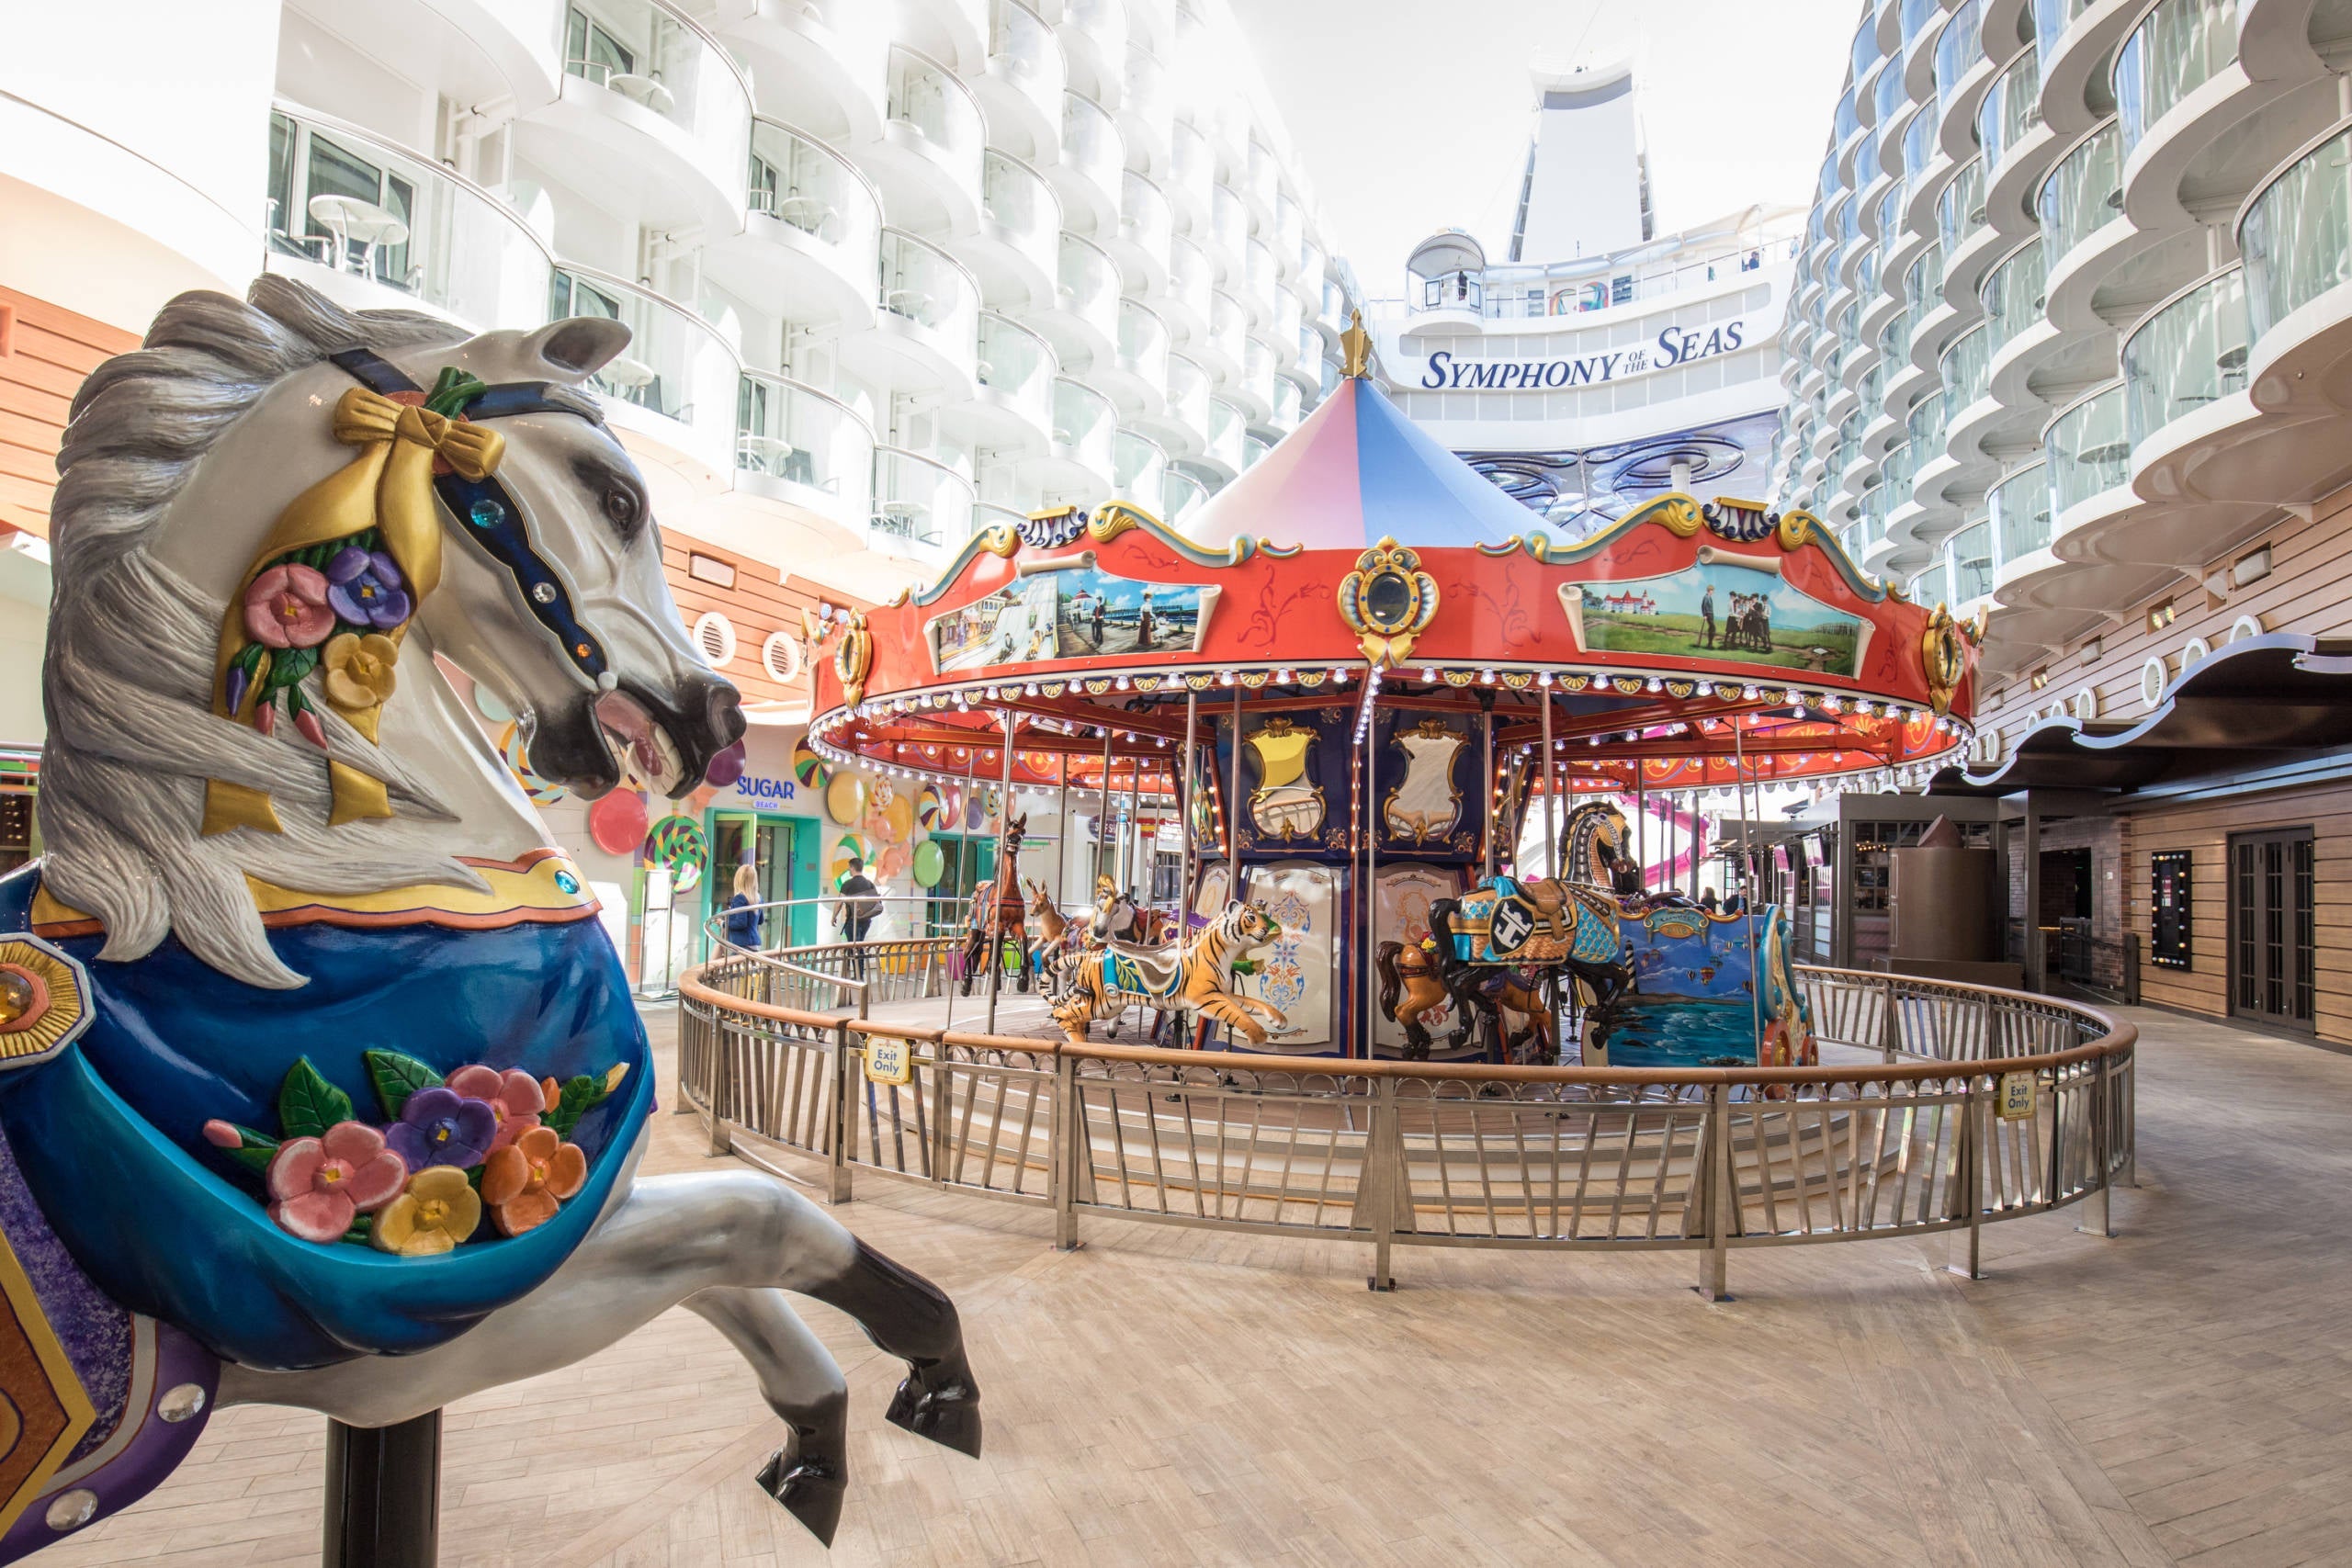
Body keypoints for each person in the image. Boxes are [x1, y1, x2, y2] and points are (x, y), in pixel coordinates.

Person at [839, 856, 881, 978]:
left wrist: (834, 917)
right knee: (859, 945)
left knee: (854, 947)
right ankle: (859, 974)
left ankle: (858, 974)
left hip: (853, 920)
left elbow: (838, 902)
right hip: (866, 920)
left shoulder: (847, 884)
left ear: (852, 868)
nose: (848, 870)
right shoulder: (869, 884)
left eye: (849, 868)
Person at [723, 862, 763, 951]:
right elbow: (761, 920)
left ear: (738, 880)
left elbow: (741, 923)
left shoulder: (739, 898)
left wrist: (723, 923)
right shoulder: (759, 898)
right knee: (719, 947)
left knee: (720, 950)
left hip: (742, 944)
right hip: (755, 943)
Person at [1700, 582, 1716, 649]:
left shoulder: (1709, 597)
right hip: (1708, 614)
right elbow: (1703, 606)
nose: (1713, 592)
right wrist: (1704, 615)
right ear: (1709, 590)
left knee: (1711, 629)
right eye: (1712, 590)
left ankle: (1709, 644)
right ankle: (1710, 643)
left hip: (1711, 614)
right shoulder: (1706, 597)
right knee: (1713, 628)